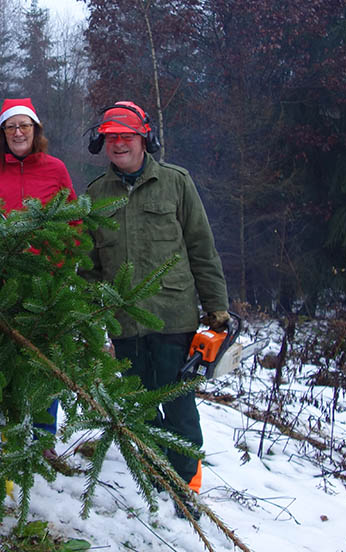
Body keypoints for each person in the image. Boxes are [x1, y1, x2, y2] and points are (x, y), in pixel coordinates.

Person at [84, 101, 229, 502]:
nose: (119, 145)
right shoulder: (97, 192)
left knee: (179, 405)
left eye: (126, 138)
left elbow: (202, 247)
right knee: (139, 407)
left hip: (173, 318)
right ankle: (152, 481)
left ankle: (186, 487)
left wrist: (217, 306)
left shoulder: (176, 182)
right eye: (112, 139)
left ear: (144, 140)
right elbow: (88, 264)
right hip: (125, 323)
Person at [0, 98, 75, 444]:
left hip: (44, 281)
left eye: (24, 126)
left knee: (44, 359)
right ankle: (4, 433)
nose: (18, 132)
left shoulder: (55, 169)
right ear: (2, 133)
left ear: (35, 130)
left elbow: (72, 221)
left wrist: (60, 266)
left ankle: (41, 437)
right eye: (11, 127)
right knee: (0, 361)